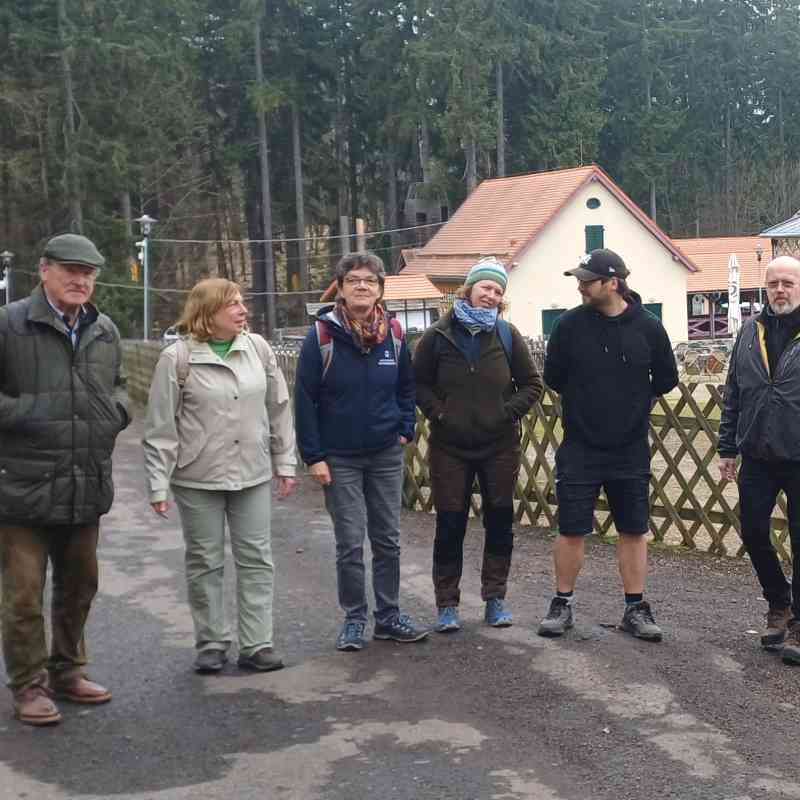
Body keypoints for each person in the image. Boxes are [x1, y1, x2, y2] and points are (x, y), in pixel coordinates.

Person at [0, 233, 129, 726]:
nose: (80, 280)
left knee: (79, 586)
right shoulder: (10, 324)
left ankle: (68, 670)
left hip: (83, 481)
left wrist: (115, 413)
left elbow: (119, 388)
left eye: (88, 273)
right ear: (44, 270)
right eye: (71, 270)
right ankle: (28, 685)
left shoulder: (104, 330)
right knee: (23, 595)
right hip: (21, 486)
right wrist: (34, 413)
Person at [143, 279, 296, 674]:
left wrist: (285, 462)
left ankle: (257, 644)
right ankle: (211, 642)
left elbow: (279, 407)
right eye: (233, 305)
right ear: (207, 313)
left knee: (257, 558)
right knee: (204, 561)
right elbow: (161, 426)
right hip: (198, 476)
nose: (243, 310)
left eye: (243, 303)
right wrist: (158, 483)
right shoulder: (177, 358)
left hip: (253, 472)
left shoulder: (258, 348)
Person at [537, 249, 678, 641]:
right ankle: (562, 605)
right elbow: (554, 378)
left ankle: (635, 608)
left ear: (612, 283)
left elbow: (666, 380)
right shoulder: (568, 325)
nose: (580, 287)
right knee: (571, 529)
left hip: (629, 448)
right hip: (580, 446)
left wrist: (629, 402)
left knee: (633, 529)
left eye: (587, 280)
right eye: (579, 280)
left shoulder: (649, 327)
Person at [294, 252, 427, 652]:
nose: (362, 287)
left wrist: (405, 428)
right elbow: (304, 399)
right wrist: (314, 456)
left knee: (388, 539)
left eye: (370, 281)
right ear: (340, 288)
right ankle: (354, 619)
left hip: (385, 453)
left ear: (381, 289)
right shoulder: (321, 338)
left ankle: (388, 617)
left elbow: (407, 387)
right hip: (339, 457)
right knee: (350, 542)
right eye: (353, 280)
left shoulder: (395, 335)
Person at [413, 258, 542, 633]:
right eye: (486, 287)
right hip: (449, 447)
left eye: (498, 291)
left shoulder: (506, 335)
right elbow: (417, 383)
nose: (491, 295)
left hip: (498, 446)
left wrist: (506, 413)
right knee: (450, 524)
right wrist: (440, 414)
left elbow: (532, 384)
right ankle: (447, 604)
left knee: (499, 522)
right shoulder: (438, 336)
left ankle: (495, 598)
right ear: (469, 289)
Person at [718, 255, 800, 666]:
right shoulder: (751, 331)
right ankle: (778, 601)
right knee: (751, 531)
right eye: (773, 284)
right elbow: (734, 390)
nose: (780, 290)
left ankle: (799, 624)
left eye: (788, 282)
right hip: (757, 454)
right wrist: (726, 448)